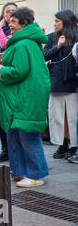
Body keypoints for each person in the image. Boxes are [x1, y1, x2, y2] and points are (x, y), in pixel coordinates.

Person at [0, 7, 50, 187]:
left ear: (24, 23)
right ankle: (19, 172)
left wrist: (1, 69)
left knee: (27, 137)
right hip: (21, 98)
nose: (9, 23)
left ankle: (35, 175)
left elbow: (19, 71)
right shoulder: (26, 42)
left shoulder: (23, 44)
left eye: (13, 21)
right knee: (16, 136)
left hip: (24, 98)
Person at [43, 10, 78, 159]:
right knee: (56, 115)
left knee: (72, 116)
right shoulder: (51, 37)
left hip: (72, 81)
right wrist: (57, 46)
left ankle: (73, 145)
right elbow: (44, 55)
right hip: (56, 81)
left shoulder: (76, 36)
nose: (55, 23)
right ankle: (61, 144)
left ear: (66, 21)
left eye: (57, 21)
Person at [0, 2, 18, 163]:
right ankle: (4, 149)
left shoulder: (18, 32)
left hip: (10, 79)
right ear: (4, 15)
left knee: (11, 116)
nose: (11, 14)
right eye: (8, 12)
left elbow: (7, 45)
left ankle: (13, 150)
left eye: (14, 11)